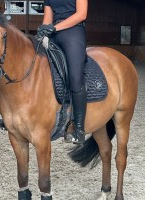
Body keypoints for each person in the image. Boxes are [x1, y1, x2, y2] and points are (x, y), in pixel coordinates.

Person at [36, 0, 88, 144]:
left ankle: (79, 129)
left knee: (75, 77)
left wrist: (54, 28)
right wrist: (43, 30)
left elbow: (81, 14)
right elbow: (47, 19)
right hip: (53, 33)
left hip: (73, 32)